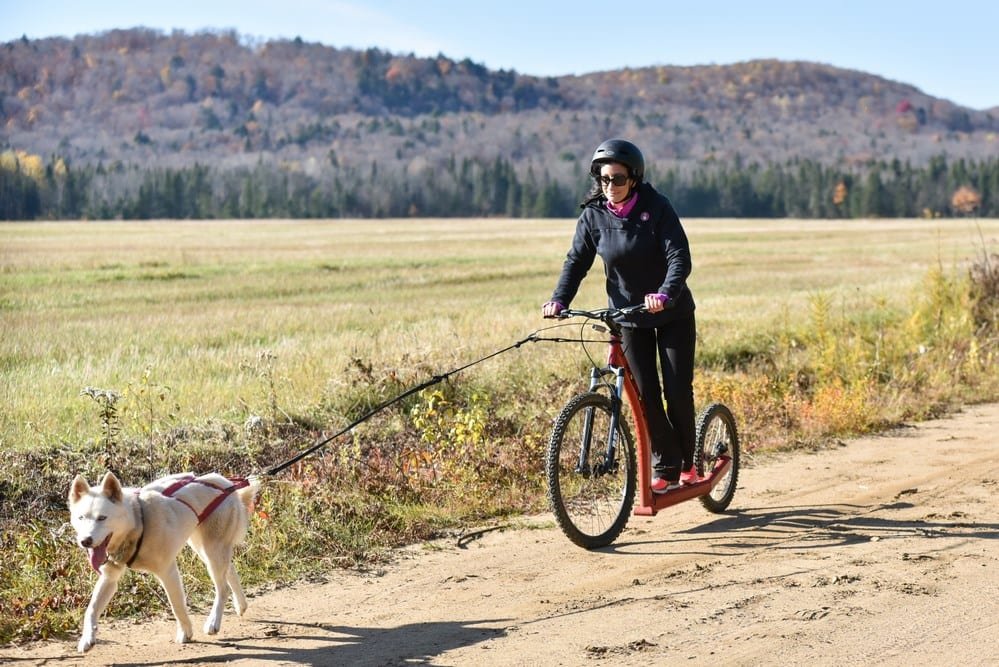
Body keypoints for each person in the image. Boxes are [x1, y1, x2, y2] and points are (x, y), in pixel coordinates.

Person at [542, 138, 697, 493]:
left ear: (635, 178)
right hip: (628, 316)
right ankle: (667, 465)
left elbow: (679, 259)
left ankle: (688, 462)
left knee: (676, 390)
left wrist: (665, 293)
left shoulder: (657, 208)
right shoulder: (593, 215)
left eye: (618, 179)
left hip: (670, 313)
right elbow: (576, 262)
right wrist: (559, 299)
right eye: (604, 179)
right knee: (644, 394)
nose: (610, 186)